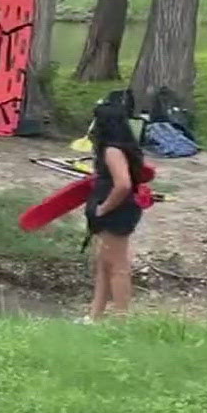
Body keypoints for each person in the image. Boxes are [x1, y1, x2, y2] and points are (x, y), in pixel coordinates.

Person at [84, 102, 149, 321]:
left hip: (117, 211)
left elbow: (123, 184)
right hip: (113, 209)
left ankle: (122, 319)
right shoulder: (118, 147)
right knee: (103, 264)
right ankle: (95, 316)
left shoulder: (112, 150)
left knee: (118, 265)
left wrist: (104, 208)